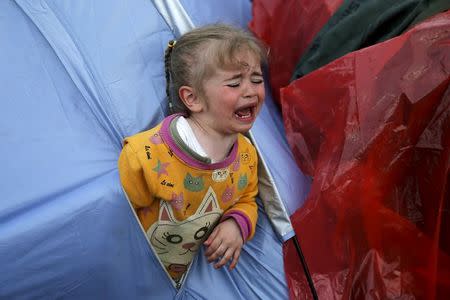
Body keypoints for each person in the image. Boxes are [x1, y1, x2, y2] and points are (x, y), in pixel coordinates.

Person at [118, 24, 267, 288]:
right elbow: (116, 218)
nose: (250, 90)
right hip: (132, 276)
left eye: (256, 79)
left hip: (182, 281)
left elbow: (247, 198)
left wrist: (237, 225)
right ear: (193, 99)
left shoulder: (246, 156)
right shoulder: (147, 157)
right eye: (235, 83)